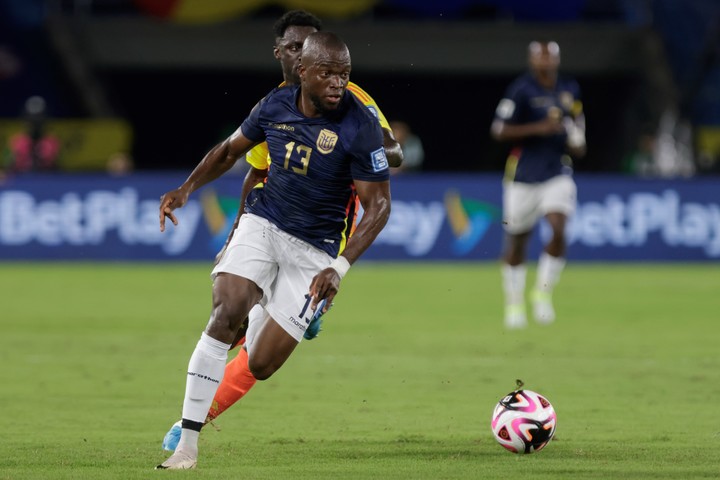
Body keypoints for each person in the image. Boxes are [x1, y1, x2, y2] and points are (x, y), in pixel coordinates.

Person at [159, 9, 402, 453]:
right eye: (297, 51)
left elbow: (386, 180)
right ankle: (191, 430)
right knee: (226, 314)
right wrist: (200, 201)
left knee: (263, 360)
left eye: (342, 73)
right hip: (266, 220)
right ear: (293, 60)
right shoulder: (273, 105)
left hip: (318, 242)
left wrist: (378, 148)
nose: (336, 82)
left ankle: (280, 307)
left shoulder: (358, 110)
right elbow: (246, 164)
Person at [490, 40, 586, 329]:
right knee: (517, 242)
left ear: (557, 59)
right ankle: (514, 302)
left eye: (549, 56)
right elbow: (498, 130)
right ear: (532, 61)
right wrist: (538, 128)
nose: (545, 61)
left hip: (557, 171)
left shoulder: (570, 90)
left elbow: (579, 132)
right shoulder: (521, 90)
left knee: (558, 228)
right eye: (540, 56)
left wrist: (575, 139)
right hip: (523, 175)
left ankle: (542, 294)